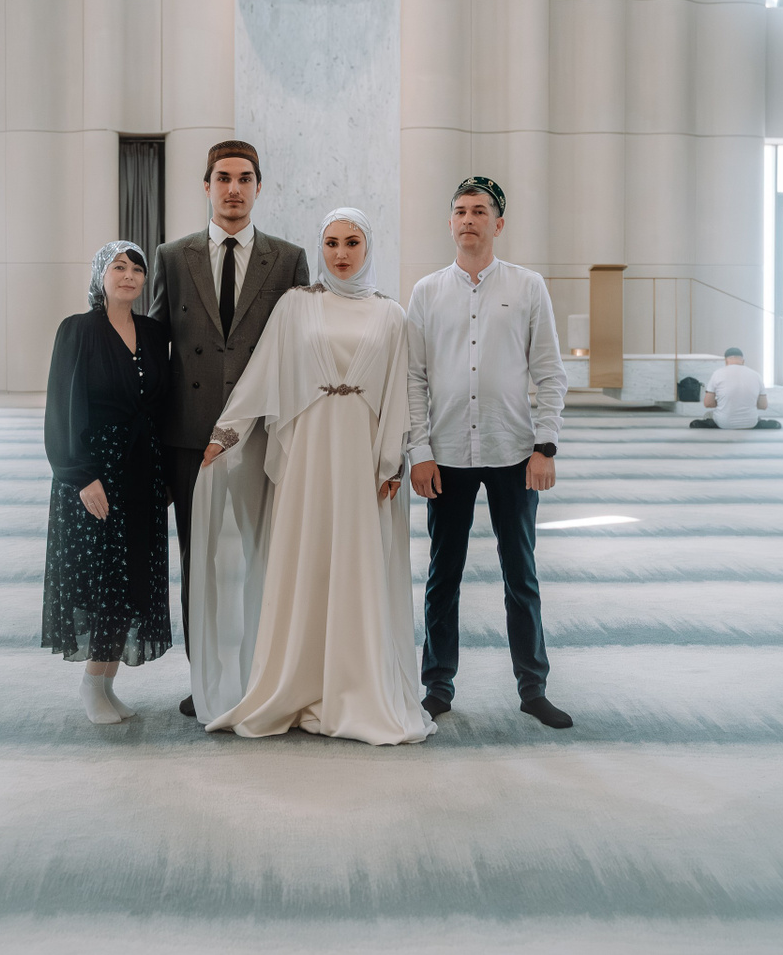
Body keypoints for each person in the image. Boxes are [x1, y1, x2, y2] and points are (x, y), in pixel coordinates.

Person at [188, 209, 433, 745]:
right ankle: (294, 682)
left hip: (362, 460)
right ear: (319, 248)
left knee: (356, 562)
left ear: (368, 247)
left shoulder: (391, 315)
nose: (341, 254)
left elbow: (400, 392)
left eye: (352, 242)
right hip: (307, 459)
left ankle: (354, 688)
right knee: (305, 560)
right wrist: (227, 432)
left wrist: (392, 461)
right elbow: (261, 373)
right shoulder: (296, 305)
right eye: (331, 243)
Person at [146, 140, 309, 718]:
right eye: (223, 178)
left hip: (262, 432)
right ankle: (206, 681)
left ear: (259, 187)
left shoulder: (288, 259)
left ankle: (264, 677)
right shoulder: (172, 256)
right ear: (207, 185)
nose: (233, 189)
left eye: (244, 179)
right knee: (200, 563)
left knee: (269, 557)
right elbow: (157, 349)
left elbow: (299, 353)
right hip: (189, 437)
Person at [407, 176, 573, 730]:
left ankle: (533, 688)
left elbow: (550, 372)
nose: (468, 219)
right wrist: (419, 451)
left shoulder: (527, 286)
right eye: (460, 211)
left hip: (513, 452)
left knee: (520, 574)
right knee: (442, 577)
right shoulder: (427, 292)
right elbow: (412, 379)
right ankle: (437, 687)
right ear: (449, 222)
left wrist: (545, 446)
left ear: (498, 224)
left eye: (479, 211)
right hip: (447, 454)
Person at [42, 241, 172, 724]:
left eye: (137, 268)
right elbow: (62, 406)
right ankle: (91, 683)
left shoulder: (154, 333)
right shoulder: (78, 330)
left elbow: (162, 406)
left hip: (142, 473)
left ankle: (105, 683)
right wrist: (81, 476)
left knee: (132, 581)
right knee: (103, 584)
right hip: (95, 474)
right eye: (119, 267)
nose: (129, 275)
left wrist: (165, 475)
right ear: (101, 275)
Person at [691, 347, 782, 430]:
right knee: (757, 417)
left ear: (726, 361)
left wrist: (724, 401)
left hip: (724, 424)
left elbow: (708, 403)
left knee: (708, 415)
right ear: (743, 361)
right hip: (750, 423)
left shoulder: (717, 374)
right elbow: (763, 405)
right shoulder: (756, 375)